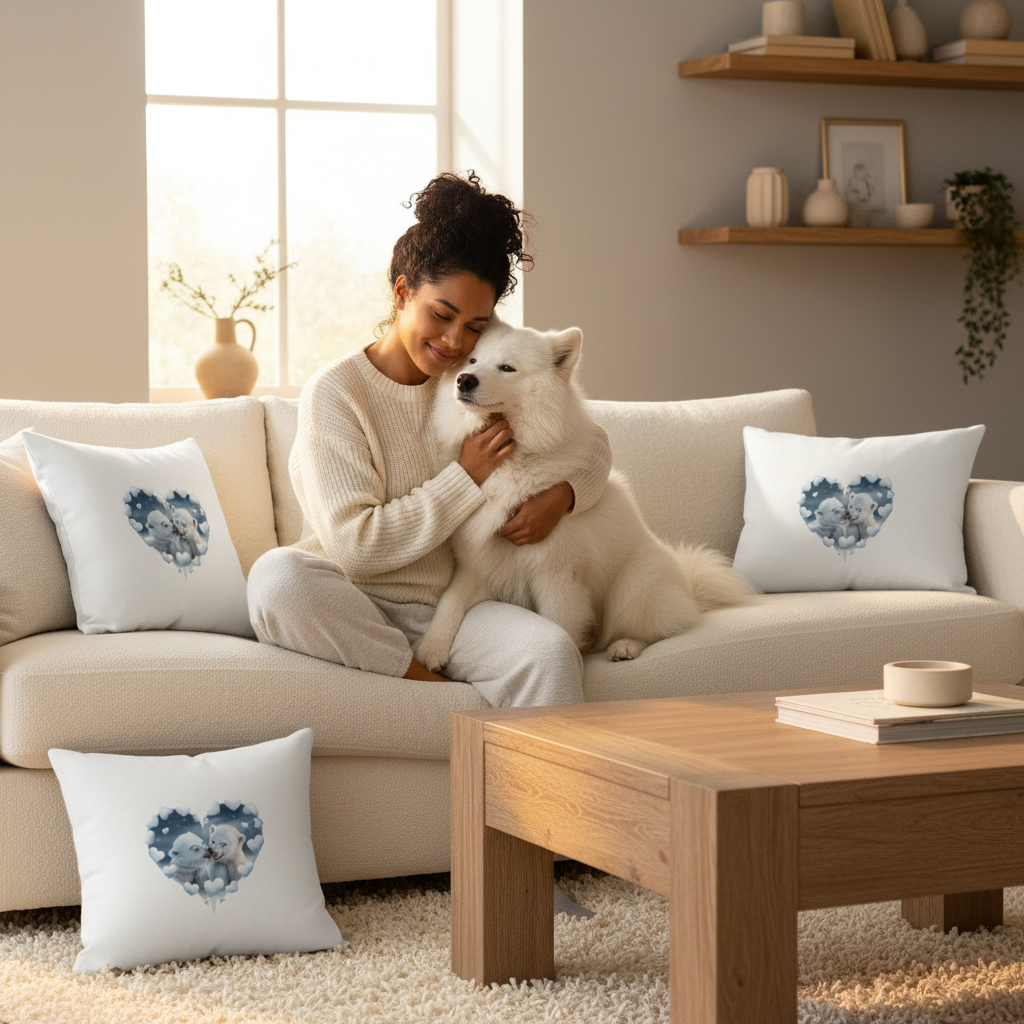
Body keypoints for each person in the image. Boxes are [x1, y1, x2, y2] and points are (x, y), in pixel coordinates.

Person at [246, 171, 611, 710]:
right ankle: (427, 687)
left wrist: (562, 496)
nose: (454, 341)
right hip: (349, 602)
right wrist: (466, 476)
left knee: (551, 652)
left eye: (475, 325)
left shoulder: (478, 374)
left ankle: (524, 765)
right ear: (402, 292)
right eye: (441, 315)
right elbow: (355, 547)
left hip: (455, 607)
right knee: (277, 578)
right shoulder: (337, 392)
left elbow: (592, 444)